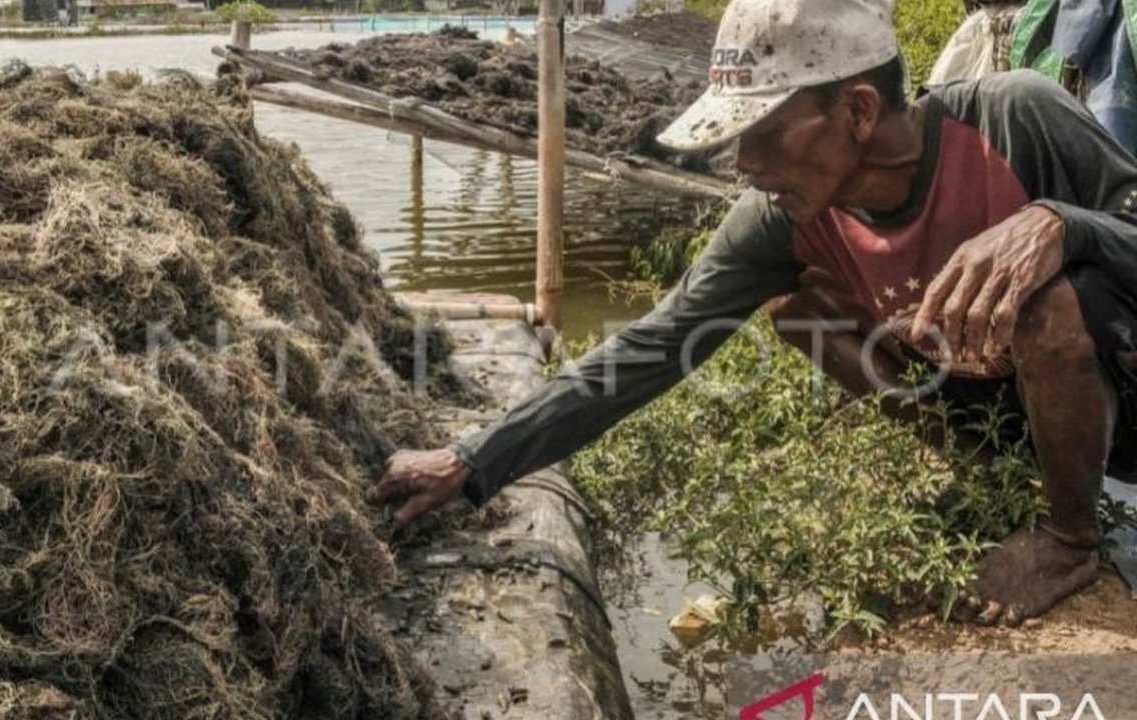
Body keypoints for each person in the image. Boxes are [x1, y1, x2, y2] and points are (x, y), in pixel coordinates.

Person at [373, 0, 1137, 627]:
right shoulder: (782, 220)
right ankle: (990, 473)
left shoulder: (1014, 119)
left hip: (1120, 404)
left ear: (858, 110)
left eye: (763, 132)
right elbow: (654, 344)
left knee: (1047, 304)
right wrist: (472, 460)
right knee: (798, 311)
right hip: (996, 403)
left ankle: (1070, 539)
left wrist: (1061, 224)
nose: (745, 165)